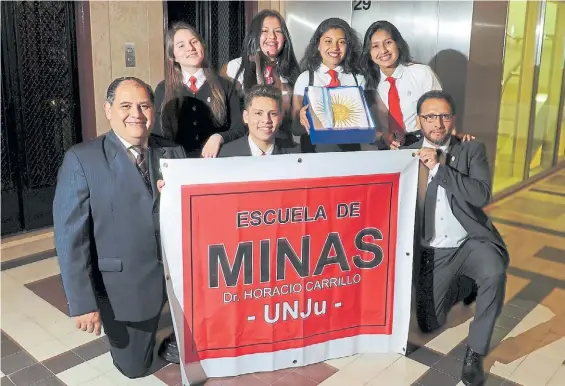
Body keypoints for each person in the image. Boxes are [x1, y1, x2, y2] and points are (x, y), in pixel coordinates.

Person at [53, 77, 185, 379]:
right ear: (108, 109)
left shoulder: (172, 152)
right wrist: (82, 303)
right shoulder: (82, 159)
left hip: (175, 276)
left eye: (144, 105)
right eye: (126, 106)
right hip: (122, 284)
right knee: (134, 368)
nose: (136, 114)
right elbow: (70, 239)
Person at [403, 90, 507, 386]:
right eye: (430, 116)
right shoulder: (405, 150)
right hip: (431, 251)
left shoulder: (470, 149)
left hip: (469, 242)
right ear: (419, 121)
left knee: (494, 272)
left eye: (445, 116)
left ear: (454, 119)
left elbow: (481, 195)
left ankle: (475, 353)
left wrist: (439, 166)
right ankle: (463, 284)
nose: (438, 123)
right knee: (429, 322)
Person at [360, 20, 474, 149]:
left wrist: (454, 135)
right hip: (384, 148)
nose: (383, 50)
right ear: (369, 53)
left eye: (388, 42)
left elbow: (440, 109)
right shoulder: (366, 82)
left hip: (421, 146)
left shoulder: (421, 73)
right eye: (375, 46)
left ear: (398, 44)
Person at [153, 22, 245, 157]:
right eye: (181, 45)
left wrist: (219, 137)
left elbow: (240, 130)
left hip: (218, 164)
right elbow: (157, 134)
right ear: (173, 56)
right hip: (179, 165)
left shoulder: (225, 86)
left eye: (194, 42)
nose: (190, 48)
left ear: (202, 46)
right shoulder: (163, 90)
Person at [224, 9, 300, 147]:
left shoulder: (293, 72)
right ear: (254, 35)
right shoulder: (234, 68)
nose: (272, 36)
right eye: (265, 31)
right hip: (245, 147)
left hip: (283, 147)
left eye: (278, 31)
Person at [292, 18, 366, 153]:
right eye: (328, 41)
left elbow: (367, 123)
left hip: (349, 152)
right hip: (313, 152)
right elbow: (295, 128)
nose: (335, 47)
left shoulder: (358, 80)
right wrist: (301, 116)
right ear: (318, 44)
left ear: (349, 46)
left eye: (342, 42)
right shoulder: (305, 79)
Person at [219, 84, 300, 157]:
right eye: (258, 113)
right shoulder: (226, 155)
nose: (266, 120)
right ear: (246, 116)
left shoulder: (296, 154)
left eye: (273, 114)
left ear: (281, 117)